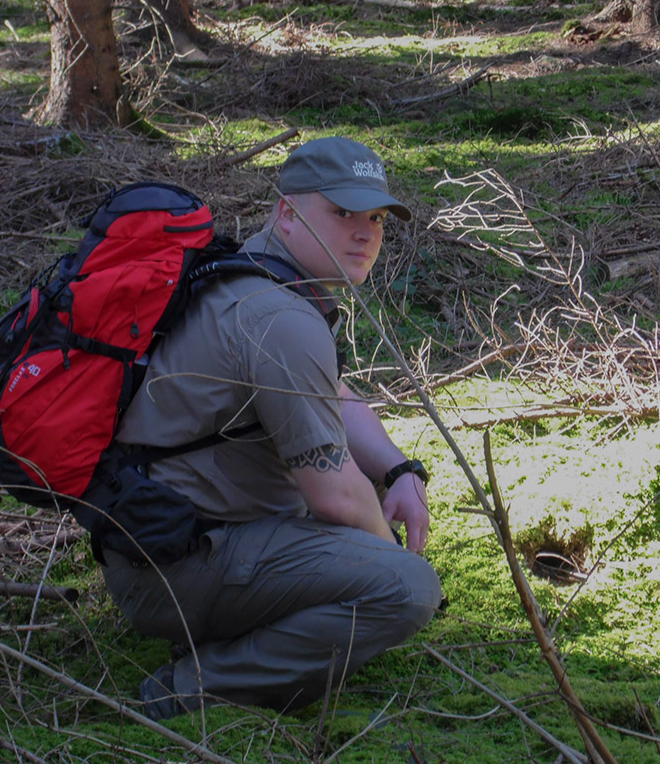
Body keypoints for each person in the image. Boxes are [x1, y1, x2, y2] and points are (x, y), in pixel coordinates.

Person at [102, 136, 443, 720]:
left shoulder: (252, 273)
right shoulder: (280, 316)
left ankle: (236, 627)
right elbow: (336, 496)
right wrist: (395, 561)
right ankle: (197, 685)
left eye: (377, 218)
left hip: (157, 547)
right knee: (408, 590)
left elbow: (331, 394)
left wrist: (399, 470)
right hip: (179, 567)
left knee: (369, 529)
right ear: (288, 213)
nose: (365, 233)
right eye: (343, 212)